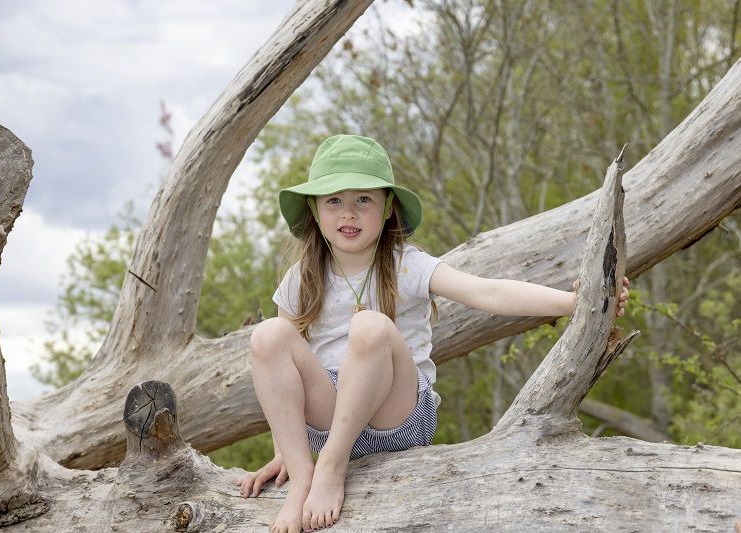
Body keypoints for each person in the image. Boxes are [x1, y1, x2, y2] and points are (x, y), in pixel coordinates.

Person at [237, 134, 630, 533]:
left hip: (397, 412)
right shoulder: (302, 278)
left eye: (363, 200)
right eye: (334, 200)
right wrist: (283, 450)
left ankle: (331, 468)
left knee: (370, 325)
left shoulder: (407, 264)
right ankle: (303, 474)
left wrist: (574, 302)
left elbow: (487, 293)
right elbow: (284, 375)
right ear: (314, 209)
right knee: (268, 336)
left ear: (388, 208)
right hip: (330, 415)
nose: (348, 213)